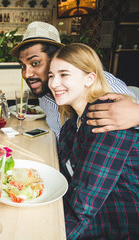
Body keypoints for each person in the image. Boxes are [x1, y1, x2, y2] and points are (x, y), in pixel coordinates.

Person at [48, 43, 139, 239]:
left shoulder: (107, 118)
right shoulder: (72, 125)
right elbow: (66, 182)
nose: (54, 83)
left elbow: (84, 205)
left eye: (64, 74)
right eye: (51, 75)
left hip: (116, 223)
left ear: (90, 78)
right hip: (91, 215)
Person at [10, 21, 139, 139]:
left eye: (35, 63)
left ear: (56, 59)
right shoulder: (44, 94)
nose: (26, 74)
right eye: (23, 66)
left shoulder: (99, 82)